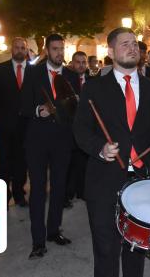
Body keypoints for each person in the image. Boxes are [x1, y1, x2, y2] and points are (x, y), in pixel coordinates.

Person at [73, 27, 150, 277]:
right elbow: (80, 129)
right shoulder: (94, 88)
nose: (131, 48)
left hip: (142, 178)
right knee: (106, 249)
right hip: (104, 178)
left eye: (134, 43)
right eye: (124, 44)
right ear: (110, 51)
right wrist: (100, 148)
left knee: (135, 247)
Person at [20, 33, 81, 259]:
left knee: (58, 188)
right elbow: (24, 104)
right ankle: (38, 241)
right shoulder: (33, 72)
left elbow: (77, 108)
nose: (59, 53)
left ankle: (54, 231)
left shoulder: (72, 76)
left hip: (63, 140)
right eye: (55, 49)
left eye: (62, 49)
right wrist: (38, 110)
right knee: (37, 189)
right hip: (37, 139)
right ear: (47, 50)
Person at [0, 37, 31, 208]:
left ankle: (19, 193)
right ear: (12, 49)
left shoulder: (34, 71)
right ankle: (3, 195)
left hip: (26, 127)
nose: (19, 50)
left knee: (21, 161)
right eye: (16, 47)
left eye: (22, 48)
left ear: (27, 50)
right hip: (3, 126)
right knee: (3, 161)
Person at [65, 51, 91, 207]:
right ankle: (68, 193)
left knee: (83, 163)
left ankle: (82, 191)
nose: (81, 65)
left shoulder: (92, 81)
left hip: (86, 129)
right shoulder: (66, 81)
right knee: (69, 164)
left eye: (83, 62)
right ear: (72, 63)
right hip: (69, 128)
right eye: (78, 62)